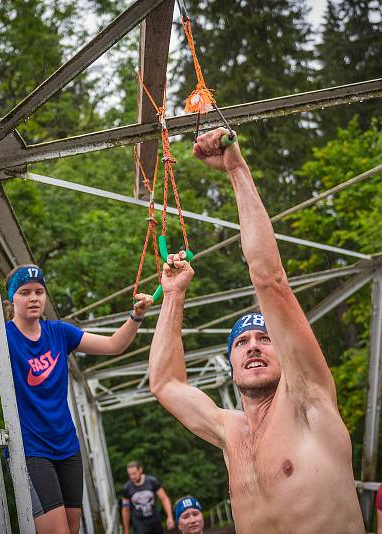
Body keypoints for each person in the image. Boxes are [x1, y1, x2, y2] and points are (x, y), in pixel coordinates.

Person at [148, 128, 364, 533]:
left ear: (285, 352)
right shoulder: (230, 432)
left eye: (265, 338)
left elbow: (270, 281)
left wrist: (236, 169)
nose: (253, 347)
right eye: (242, 342)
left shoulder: (308, 402)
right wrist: (173, 296)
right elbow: (164, 383)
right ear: (230, 365)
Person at [0, 264, 153, 534]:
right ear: (11, 300)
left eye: (39, 291)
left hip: (68, 447)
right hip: (31, 450)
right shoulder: (1, 339)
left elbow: (114, 345)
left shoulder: (60, 332)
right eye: (25, 292)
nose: (34, 298)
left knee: (72, 530)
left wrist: (136, 315)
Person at [121, 460, 175, 534]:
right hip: (139, 523)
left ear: (140, 470)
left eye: (134, 473)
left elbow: (164, 498)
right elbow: (125, 510)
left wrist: (170, 517)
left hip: (154, 519)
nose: (132, 477)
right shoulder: (126, 488)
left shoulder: (152, 481)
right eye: (130, 474)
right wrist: (126, 530)